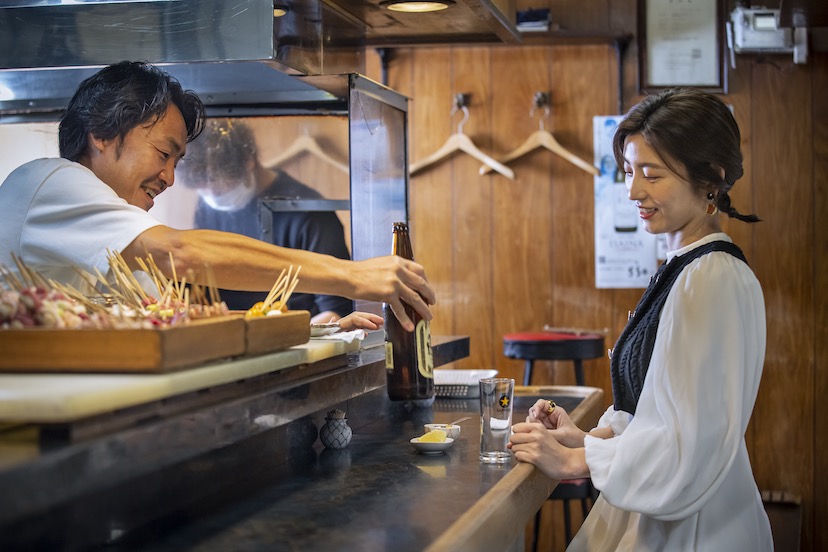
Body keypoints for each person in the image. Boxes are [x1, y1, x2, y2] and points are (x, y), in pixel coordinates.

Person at [508, 89, 772, 551]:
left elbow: (691, 445)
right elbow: (658, 413)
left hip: (697, 527)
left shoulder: (710, 279)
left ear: (710, 178)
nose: (633, 191)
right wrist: (590, 437)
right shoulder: (686, 267)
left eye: (651, 174)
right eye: (629, 172)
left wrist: (578, 461)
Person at [0, 61, 433, 332]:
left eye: (177, 162)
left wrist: (321, 330)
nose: (169, 178)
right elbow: (180, 252)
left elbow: (180, 323)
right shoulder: (50, 181)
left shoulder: (111, 230)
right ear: (101, 134)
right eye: (164, 153)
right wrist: (354, 276)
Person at [176, 119, 352, 324]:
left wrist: (276, 339)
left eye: (218, 183)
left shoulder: (308, 212)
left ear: (248, 162)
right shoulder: (208, 206)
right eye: (201, 186)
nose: (211, 194)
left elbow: (337, 312)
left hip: (298, 343)